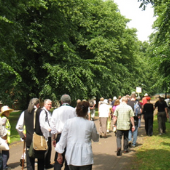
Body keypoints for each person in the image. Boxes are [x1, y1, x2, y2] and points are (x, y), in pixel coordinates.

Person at [55, 101, 99, 170]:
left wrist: (59, 154)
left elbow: (63, 140)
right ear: (87, 111)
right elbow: (95, 138)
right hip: (86, 156)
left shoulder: (68, 122)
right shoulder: (90, 124)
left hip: (72, 155)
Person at [16, 98, 45, 170]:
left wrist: (23, 136)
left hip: (29, 139)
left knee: (30, 163)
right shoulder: (41, 112)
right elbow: (43, 126)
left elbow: (18, 127)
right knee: (41, 162)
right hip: (39, 140)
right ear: (38, 104)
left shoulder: (24, 113)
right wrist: (46, 137)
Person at [51, 94, 76, 170]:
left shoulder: (56, 111)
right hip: (71, 136)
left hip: (60, 135)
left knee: (58, 157)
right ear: (70, 101)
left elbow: (53, 126)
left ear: (61, 101)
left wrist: (54, 138)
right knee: (69, 157)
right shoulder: (74, 111)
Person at [39, 99, 53, 169]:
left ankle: (47, 163)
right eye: (48, 104)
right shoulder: (43, 112)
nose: (50, 106)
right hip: (45, 134)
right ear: (44, 104)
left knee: (49, 149)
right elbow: (42, 123)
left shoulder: (48, 112)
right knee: (46, 150)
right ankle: (44, 164)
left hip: (49, 134)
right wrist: (48, 128)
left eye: (50, 104)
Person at [0, 105, 13, 170]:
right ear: (4, 112)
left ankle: (4, 166)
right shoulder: (4, 119)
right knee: (5, 155)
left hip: (5, 138)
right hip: (4, 139)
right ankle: (4, 167)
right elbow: (2, 128)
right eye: (7, 112)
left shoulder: (5, 118)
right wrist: (5, 138)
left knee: (4, 154)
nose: (8, 113)